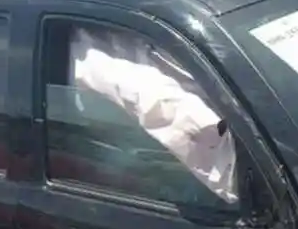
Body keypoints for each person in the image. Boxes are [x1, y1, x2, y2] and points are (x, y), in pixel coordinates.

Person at [67, 25, 236, 206]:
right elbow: (163, 105)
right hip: (124, 151)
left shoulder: (141, 31)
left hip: (168, 144)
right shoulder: (91, 55)